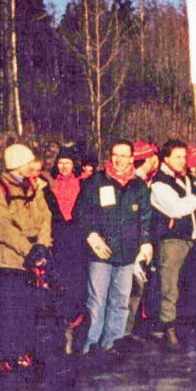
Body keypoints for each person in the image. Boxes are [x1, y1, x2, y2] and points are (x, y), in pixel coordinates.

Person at [75, 141, 154, 356]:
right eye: (115, 154)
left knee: (120, 301)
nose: (119, 159)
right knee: (97, 301)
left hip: (127, 254)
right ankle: (89, 345)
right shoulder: (96, 182)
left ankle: (112, 344)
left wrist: (146, 242)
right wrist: (90, 234)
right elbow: (82, 212)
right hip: (101, 254)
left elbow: (146, 218)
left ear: (131, 158)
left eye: (124, 155)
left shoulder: (139, 187)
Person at [0, 143, 53, 380]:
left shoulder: (34, 186)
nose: (31, 166)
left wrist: (42, 244)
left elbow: (45, 216)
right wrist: (29, 250)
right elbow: (3, 227)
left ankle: (25, 354)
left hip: (34, 256)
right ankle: (7, 356)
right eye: (27, 162)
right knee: (10, 313)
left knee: (30, 312)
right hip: (11, 261)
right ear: (17, 164)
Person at [150, 140, 196, 349]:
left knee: (190, 284)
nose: (182, 161)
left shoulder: (187, 178)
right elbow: (176, 208)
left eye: (184, 157)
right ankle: (168, 327)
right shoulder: (159, 183)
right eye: (177, 157)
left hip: (191, 239)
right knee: (170, 286)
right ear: (166, 158)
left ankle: (186, 326)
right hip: (172, 240)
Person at [44, 145, 87, 355]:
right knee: (61, 279)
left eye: (67, 163)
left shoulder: (83, 183)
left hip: (77, 236)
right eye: (60, 163)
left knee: (78, 277)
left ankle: (77, 320)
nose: (63, 167)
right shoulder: (51, 184)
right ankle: (63, 320)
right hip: (59, 234)